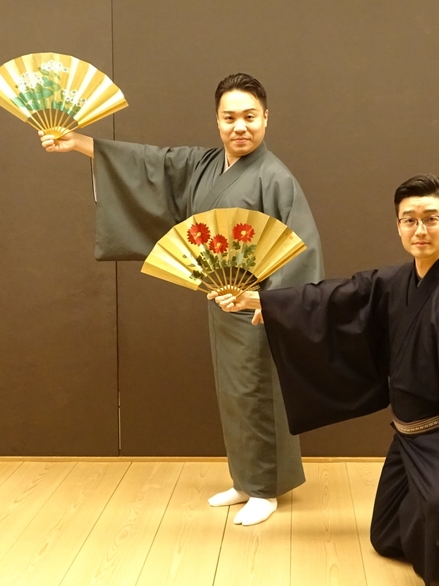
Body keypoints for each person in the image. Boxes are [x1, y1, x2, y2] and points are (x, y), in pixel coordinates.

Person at [210, 174, 439, 584]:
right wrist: (266, 302)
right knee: (386, 537)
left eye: (431, 218)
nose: (420, 229)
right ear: (398, 225)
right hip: (406, 434)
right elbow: (342, 295)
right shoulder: (399, 280)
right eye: (409, 220)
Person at [39, 73, 325, 526]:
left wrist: (264, 301)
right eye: (229, 118)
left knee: (259, 392)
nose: (240, 127)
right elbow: (153, 164)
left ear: (266, 118)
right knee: (234, 393)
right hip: (221, 299)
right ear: (217, 121)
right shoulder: (205, 164)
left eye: (250, 117)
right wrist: (79, 143)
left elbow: (301, 247)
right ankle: (246, 478)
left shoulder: (276, 178)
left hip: (259, 306)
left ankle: (265, 489)